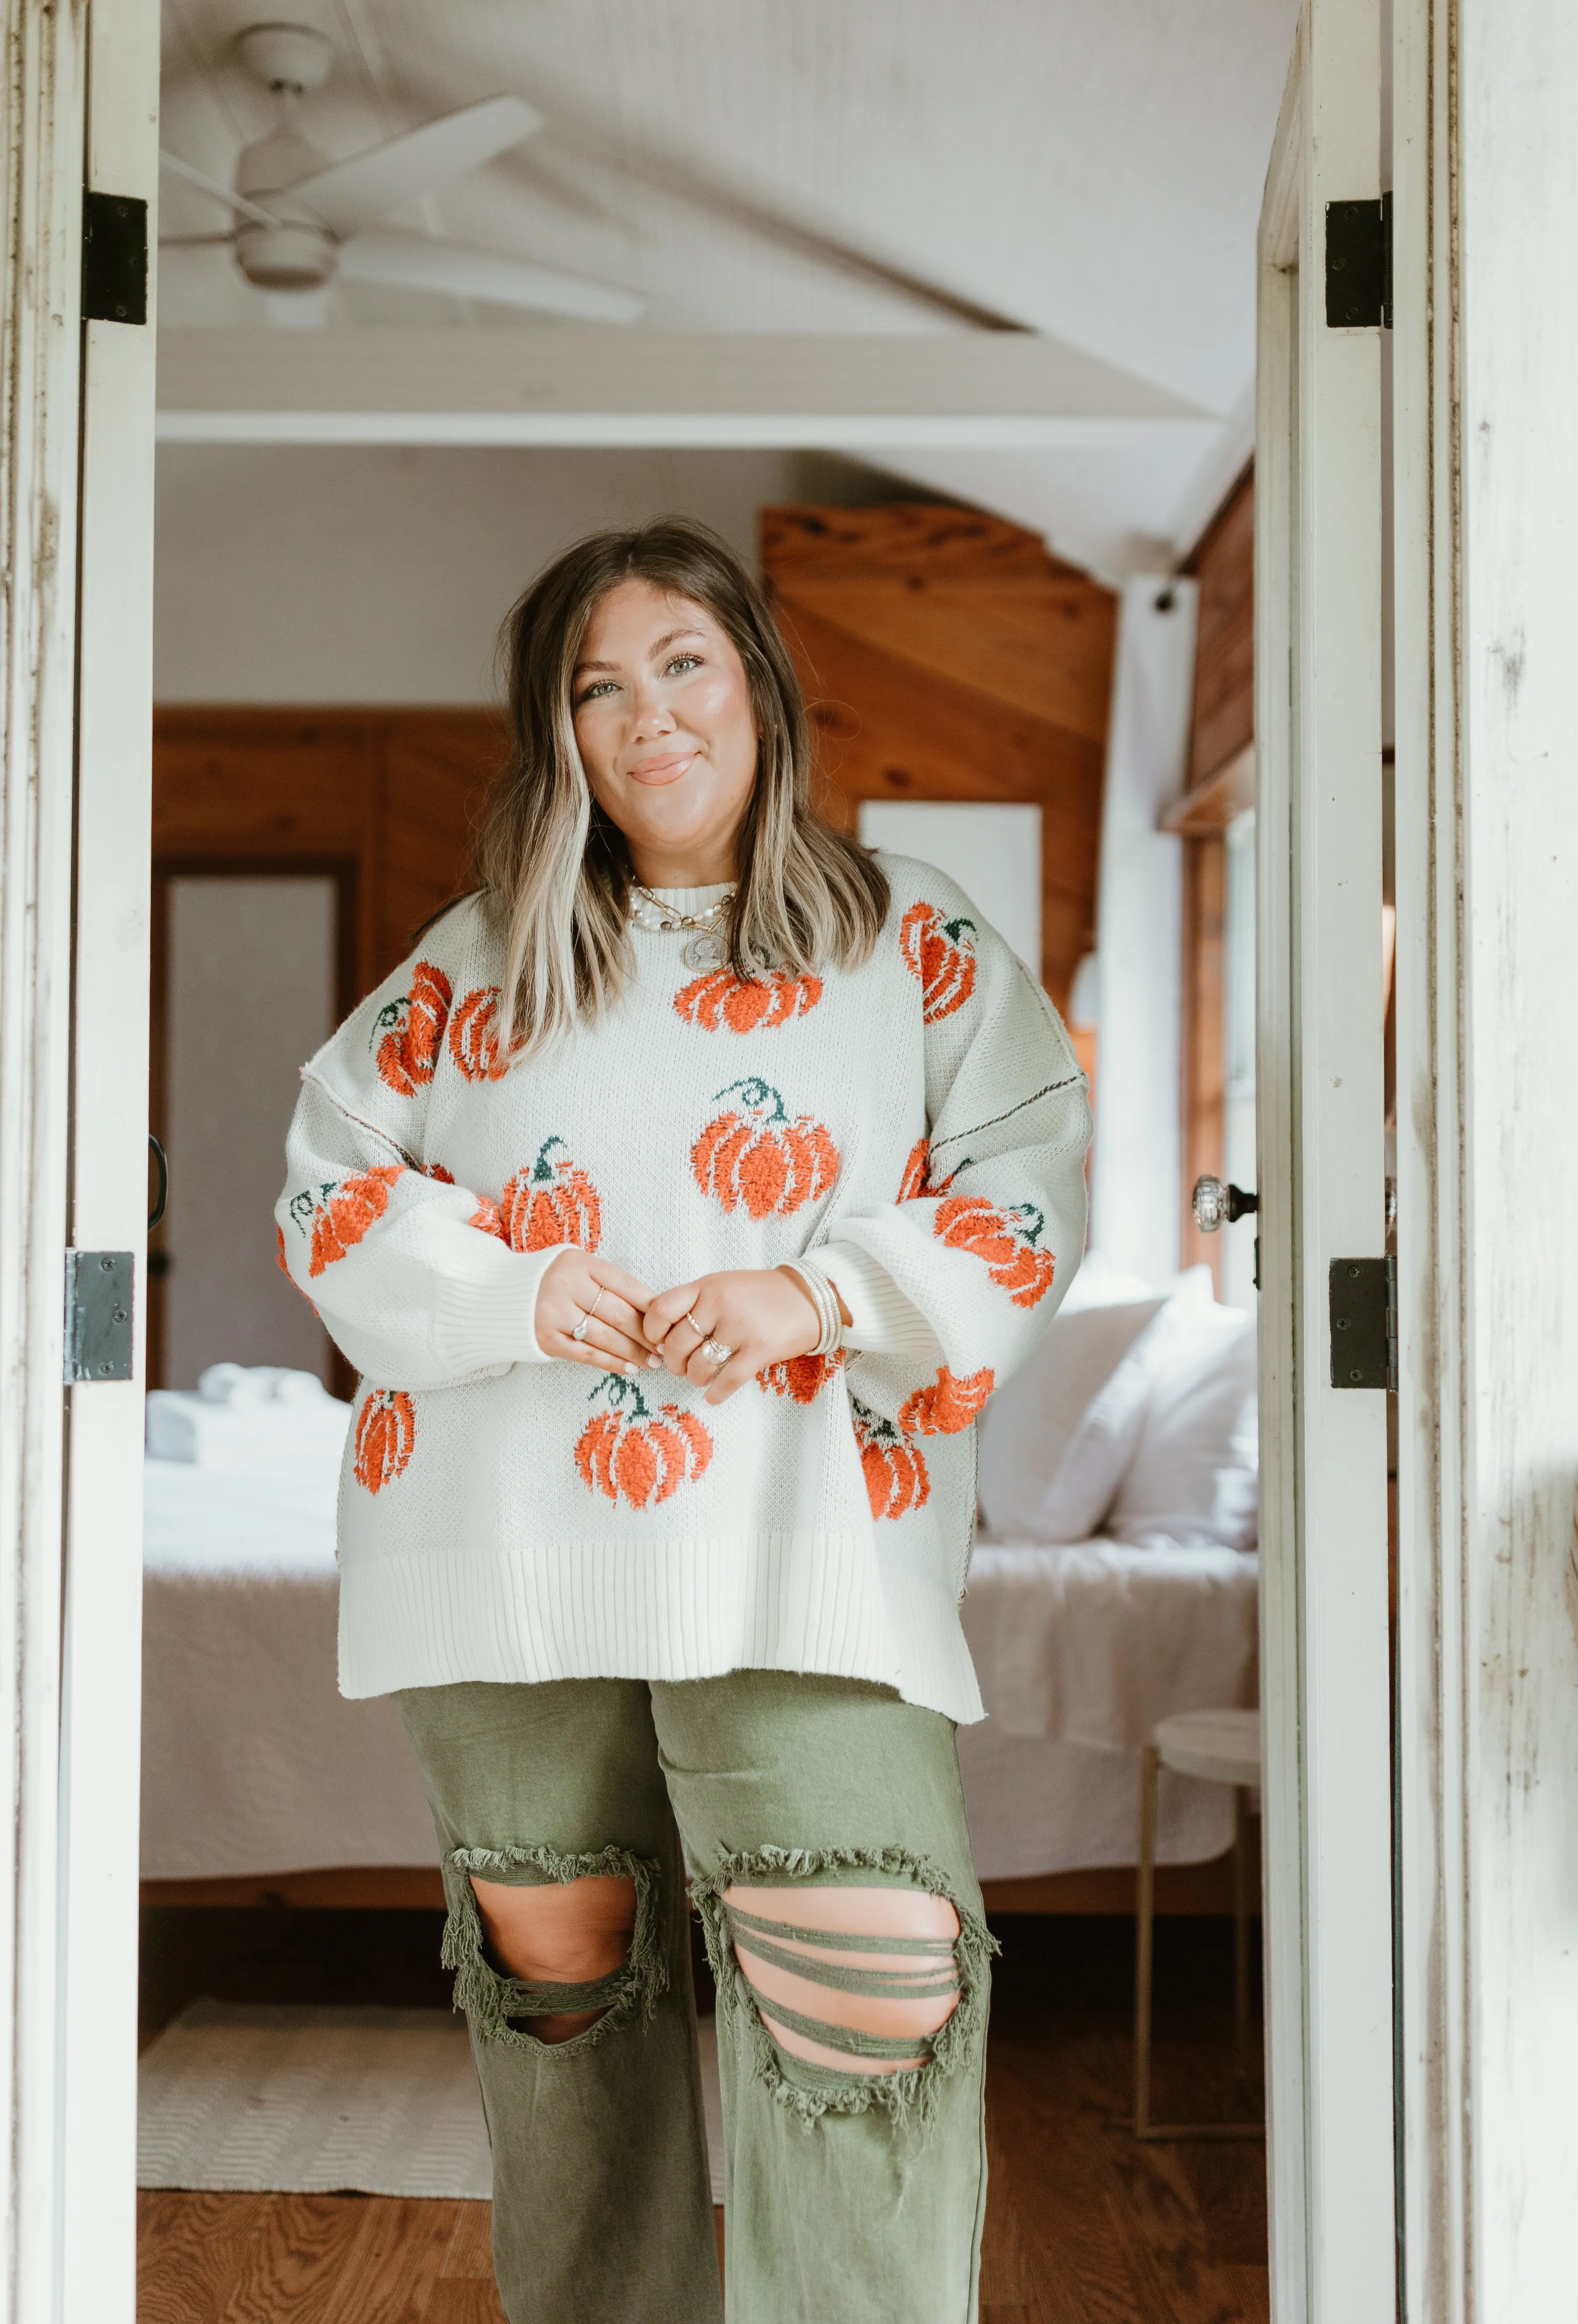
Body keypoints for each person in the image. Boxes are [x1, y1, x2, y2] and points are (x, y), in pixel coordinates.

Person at [276, 515, 1089, 2324]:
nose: (647, 714)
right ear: (555, 733)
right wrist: (509, 1287)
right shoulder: (477, 957)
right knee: (564, 1977)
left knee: (872, 1980)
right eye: (596, 685)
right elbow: (329, 1178)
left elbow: (1028, 1181)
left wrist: (816, 1293)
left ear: (760, 682)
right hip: (499, 1538)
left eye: (682, 663)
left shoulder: (914, 938)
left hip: (805, 1534)